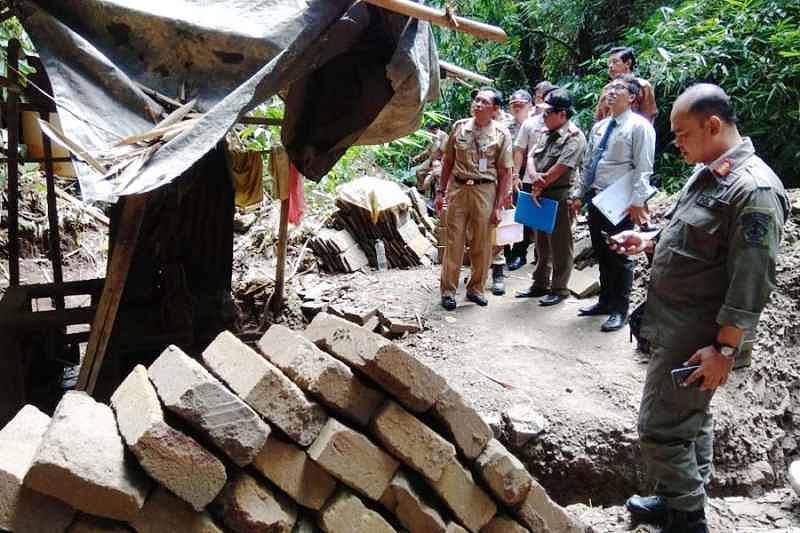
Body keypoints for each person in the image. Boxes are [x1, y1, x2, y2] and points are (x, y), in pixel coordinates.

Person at [611, 84, 789, 533]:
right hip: (674, 326)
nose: (677, 143)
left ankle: (687, 519)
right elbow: (694, 235)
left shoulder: (754, 191)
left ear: (713, 125)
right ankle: (680, 498)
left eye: (683, 133)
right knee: (690, 421)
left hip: (699, 339)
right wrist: (649, 242)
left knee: (661, 428)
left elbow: (751, 282)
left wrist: (723, 352)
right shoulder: (711, 171)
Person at [571, 74, 655, 332]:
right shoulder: (599, 127)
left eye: (618, 88)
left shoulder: (639, 126)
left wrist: (638, 201)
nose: (610, 92)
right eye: (609, 88)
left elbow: (643, 166)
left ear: (631, 97)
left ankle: (620, 309)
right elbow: (589, 164)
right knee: (602, 250)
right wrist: (578, 193)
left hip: (621, 199)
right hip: (598, 197)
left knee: (620, 256)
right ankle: (605, 301)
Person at [436, 87, 513, 310]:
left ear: (495, 109)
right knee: (454, 241)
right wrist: (441, 192)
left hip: (485, 190)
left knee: (482, 242)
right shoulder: (460, 128)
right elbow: (447, 162)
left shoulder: (501, 134)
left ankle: (475, 288)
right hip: (458, 189)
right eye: (476, 101)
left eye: (484, 102)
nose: (477, 105)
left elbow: (505, 172)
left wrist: (499, 206)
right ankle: (448, 290)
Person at [514, 89, 586, 305]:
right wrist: (535, 178)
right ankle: (540, 283)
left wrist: (539, 182)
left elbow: (562, 167)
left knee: (560, 244)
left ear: (562, 114)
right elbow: (532, 156)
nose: (543, 117)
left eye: (548, 113)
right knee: (541, 243)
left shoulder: (574, 137)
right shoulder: (546, 132)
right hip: (540, 192)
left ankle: (560, 287)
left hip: (560, 194)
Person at [508, 81, 557, 270]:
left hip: (549, 178)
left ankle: (542, 258)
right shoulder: (528, 124)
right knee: (523, 217)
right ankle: (518, 254)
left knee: (543, 222)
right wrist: (514, 175)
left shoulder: (559, 124)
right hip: (525, 176)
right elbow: (518, 151)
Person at [487, 89, 532, 295]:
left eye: (521, 103)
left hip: (531, 174)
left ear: (529, 104)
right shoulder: (505, 127)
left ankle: (521, 253)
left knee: (526, 216)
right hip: (509, 174)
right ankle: (505, 254)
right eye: (513, 103)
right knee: (507, 215)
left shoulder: (538, 124)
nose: (516, 106)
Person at [595, 47, 657, 123]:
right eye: (609, 63)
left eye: (615, 62)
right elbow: (599, 118)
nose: (610, 66)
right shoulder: (607, 89)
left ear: (628, 63)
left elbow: (649, 116)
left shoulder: (642, 86)